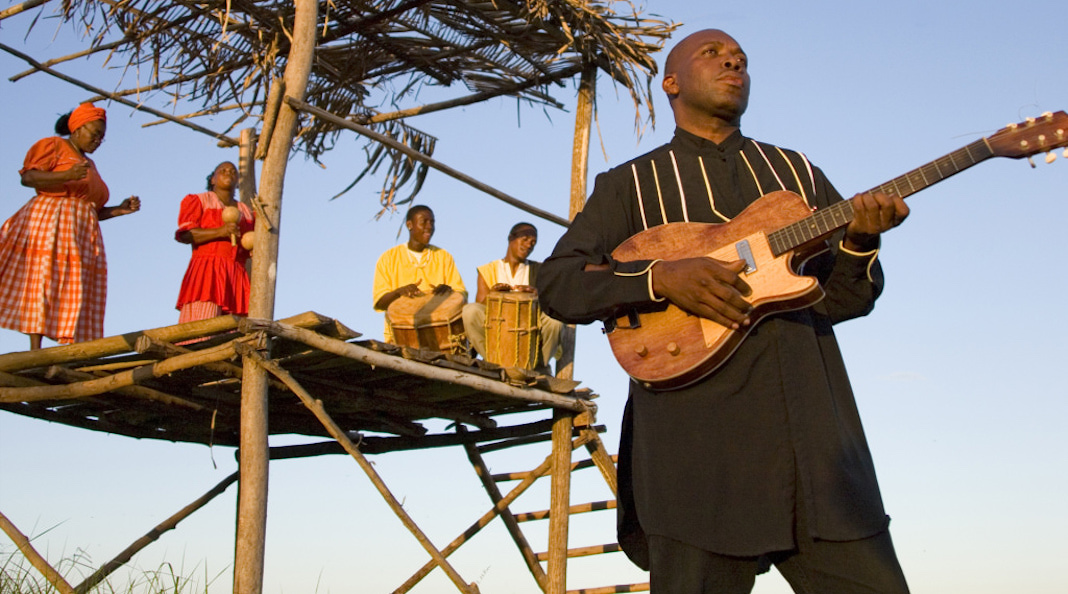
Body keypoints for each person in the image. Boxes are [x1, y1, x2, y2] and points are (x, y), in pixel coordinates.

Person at [536, 29, 912, 594]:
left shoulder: (798, 173)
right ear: (671, 82)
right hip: (696, 462)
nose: (733, 59)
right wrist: (659, 278)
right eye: (711, 53)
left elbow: (844, 301)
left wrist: (860, 242)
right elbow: (558, 283)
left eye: (739, 56)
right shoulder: (629, 184)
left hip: (817, 457)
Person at [0, 103, 141, 350]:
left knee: (72, 287)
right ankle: (36, 351)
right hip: (51, 221)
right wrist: (66, 175)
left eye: (101, 137)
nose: (98, 140)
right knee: (43, 279)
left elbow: (90, 209)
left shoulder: (89, 165)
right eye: (94, 133)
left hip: (80, 231)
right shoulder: (55, 146)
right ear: (76, 129)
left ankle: (68, 350)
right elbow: (28, 177)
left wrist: (119, 209)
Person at [462, 222, 563, 371]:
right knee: (469, 311)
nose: (529, 245)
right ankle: (492, 361)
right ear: (511, 238)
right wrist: (492, 295)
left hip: (529, 333)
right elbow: (480, 306)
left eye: (533, 243)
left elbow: (554, 303)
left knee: (555, 321)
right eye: (525, 239)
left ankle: (538, 366)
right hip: (498, 331)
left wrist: (538, 295)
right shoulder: (488, 270)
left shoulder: (539, 270)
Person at [372, 205, 466, 344]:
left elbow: (461, 296)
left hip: (442, 337)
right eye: (424, 222)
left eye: (432, 222)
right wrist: (399, 292)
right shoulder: (388, 258)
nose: (429, 227)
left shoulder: (444, 257)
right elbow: (380, 302)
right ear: (410, 225)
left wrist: (449, 292)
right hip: (400, 338)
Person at [174, 161, 255, 322]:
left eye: (233, 171)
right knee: (201, 327)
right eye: (223, 170)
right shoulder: (199, 200)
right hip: (207, 271)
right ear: (212, 179)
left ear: (238, 182)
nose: (229, 173)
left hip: (236, 276)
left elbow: (248, 244)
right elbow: (186, 235)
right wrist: (221, 231)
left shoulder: (247, 212)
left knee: (233, 331)